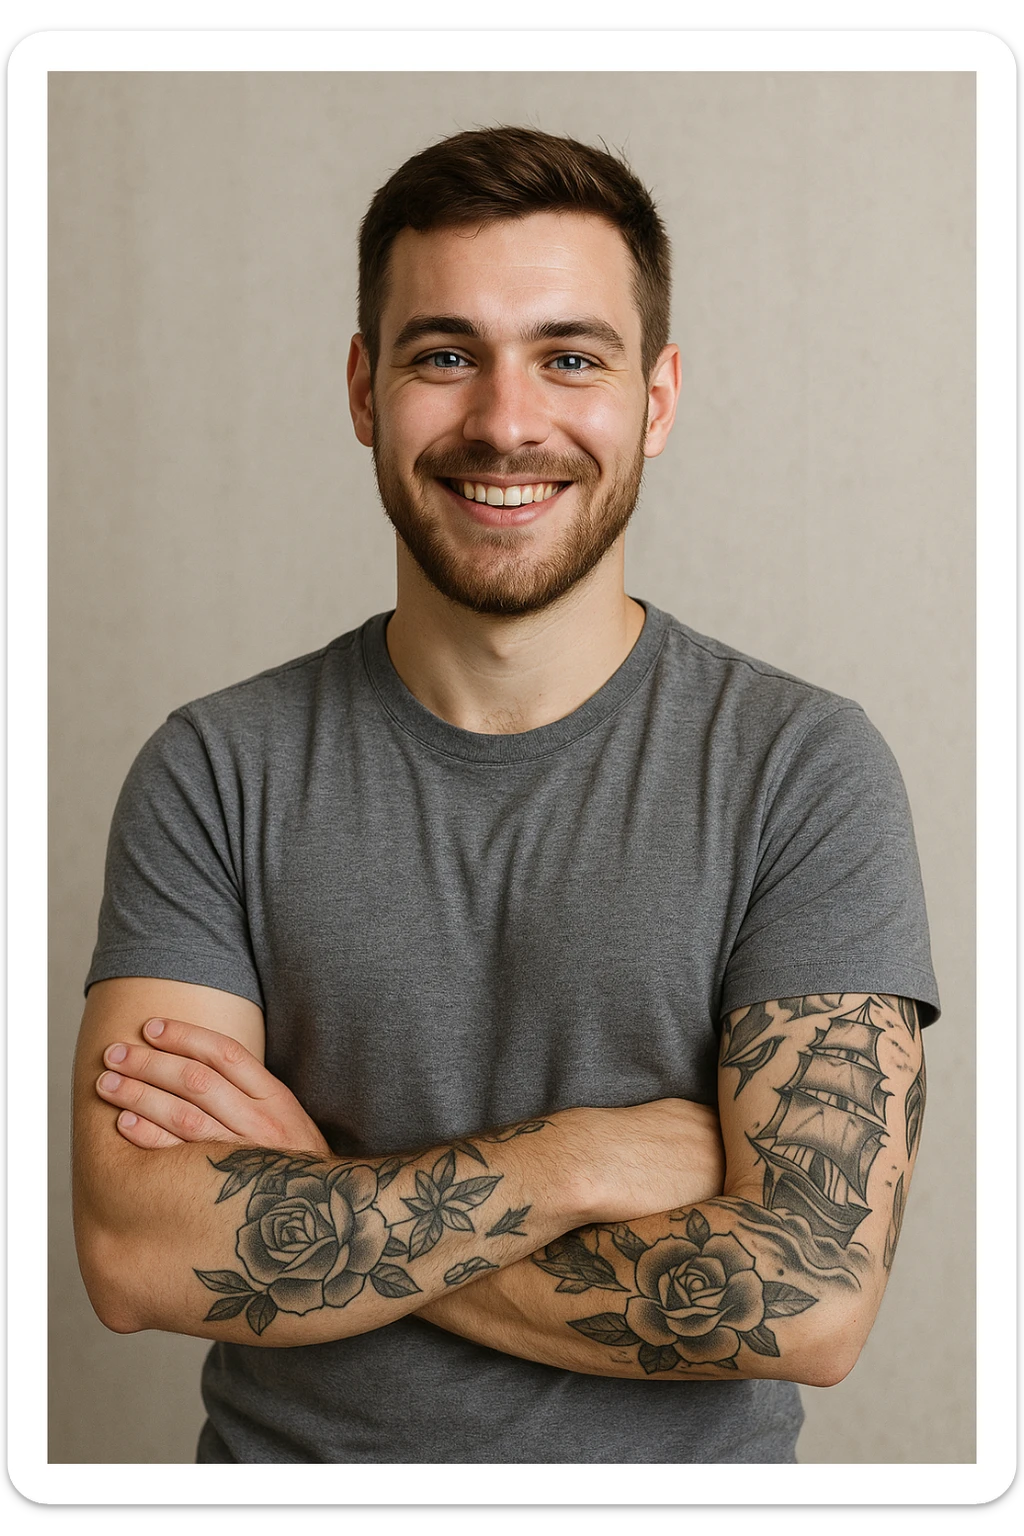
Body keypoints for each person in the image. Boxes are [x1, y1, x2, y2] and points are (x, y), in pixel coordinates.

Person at [72, 126, 938, 1465]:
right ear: (365, 389)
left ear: (656, 398)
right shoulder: (216, 767)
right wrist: (574, 1163)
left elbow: (808, 1303)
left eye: (571, 357)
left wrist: (311, 1194)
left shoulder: (802, 769)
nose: (506, 421)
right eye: (445, 354)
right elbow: (135, 1248)